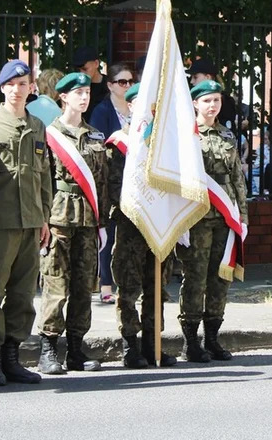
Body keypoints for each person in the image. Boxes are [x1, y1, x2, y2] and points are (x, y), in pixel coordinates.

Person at [0, 59, 52, 386]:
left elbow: (44, 175)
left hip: (31, 222)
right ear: (2, 88)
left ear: (31, 88)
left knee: (22, 293)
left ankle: (12, 356)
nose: (18, 90)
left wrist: (44, 217)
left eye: (23, 84)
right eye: (12, 84)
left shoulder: (38, 126)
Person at [36, 71, 108, 375]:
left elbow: (102, 181)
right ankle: (48, 349)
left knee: (83, 284)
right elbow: (41, 180)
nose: (83, 97)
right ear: (63, 96)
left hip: (88, 218)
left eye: (87, 92)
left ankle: (76, 347)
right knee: (56, 282)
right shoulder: (49, 134)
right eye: (77, 93)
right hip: (59, 217)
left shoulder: (95, 136)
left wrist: (102, 220)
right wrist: (42, 220)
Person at [178, 80, 249, 362]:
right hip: (197, 215)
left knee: (221, 277)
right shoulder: (186, 134)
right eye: (207, 100)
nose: (212, 105)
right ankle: (190, 341)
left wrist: (242, 215)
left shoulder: (228, 136)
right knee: (195, 277)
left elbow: (237, 179)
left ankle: (212, 338)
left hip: (225, 215)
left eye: (217, 100)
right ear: (195, 103)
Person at [109, 83, 176, 368]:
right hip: (130, 223)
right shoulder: (119, 142)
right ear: (130, 106)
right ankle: (130, 344)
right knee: (129, 287)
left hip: (157, 222)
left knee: (156, 285)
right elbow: (112, 185)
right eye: (138, 103)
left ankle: (152, 342)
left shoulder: (162, 144)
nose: (145, 109)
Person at [90, 62, 136, 305]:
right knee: (108, 234)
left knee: (130, 236)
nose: (127, 86)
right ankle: (105, 283)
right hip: (112, 182)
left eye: (130, 82)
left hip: (135, 183)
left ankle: (128, 282)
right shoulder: (102, 111)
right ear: (110, 85)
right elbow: (99, 148)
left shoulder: (137, 110)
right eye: (122, 82)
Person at [186, 57, 238, 127]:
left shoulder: (226, 102)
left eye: (195, 77)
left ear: (207, 77)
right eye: (206, 101)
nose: (191, 81)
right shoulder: (188, 99)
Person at [72, 46, 108, 118]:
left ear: (96, 64)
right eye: (78, 70)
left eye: (85, 69)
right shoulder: (75, 87)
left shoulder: (109, 86)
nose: (82, 73)